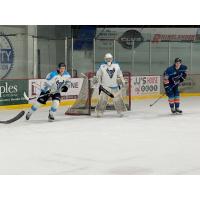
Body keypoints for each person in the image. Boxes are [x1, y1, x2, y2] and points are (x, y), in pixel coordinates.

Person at [93, 53, 127, 117]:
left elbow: (120, 74)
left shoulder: (116, 66)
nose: (108, 60)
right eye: (107, 59)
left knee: (118, 99)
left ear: (112, 59)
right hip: (105, 86)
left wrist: (123, 81)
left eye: (110, 59)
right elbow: (98, 75)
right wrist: (98, 82)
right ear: (105, 59)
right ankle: (99, 112)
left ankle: (120, 111)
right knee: (103, 100)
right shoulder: (102, 66)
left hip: (115, 86)